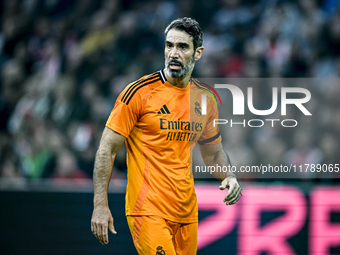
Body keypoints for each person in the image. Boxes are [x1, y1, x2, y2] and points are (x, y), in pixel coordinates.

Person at [91, 17, 241, 255]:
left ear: (198, 53)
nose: (173, 53)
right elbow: (106, 149)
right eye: (169, 45)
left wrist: (229, 175)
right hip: (147, 210)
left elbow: (213, 154)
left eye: (182, 47)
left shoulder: (206, 99)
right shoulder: (138, 92)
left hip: (186, 213)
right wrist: (100, 205)